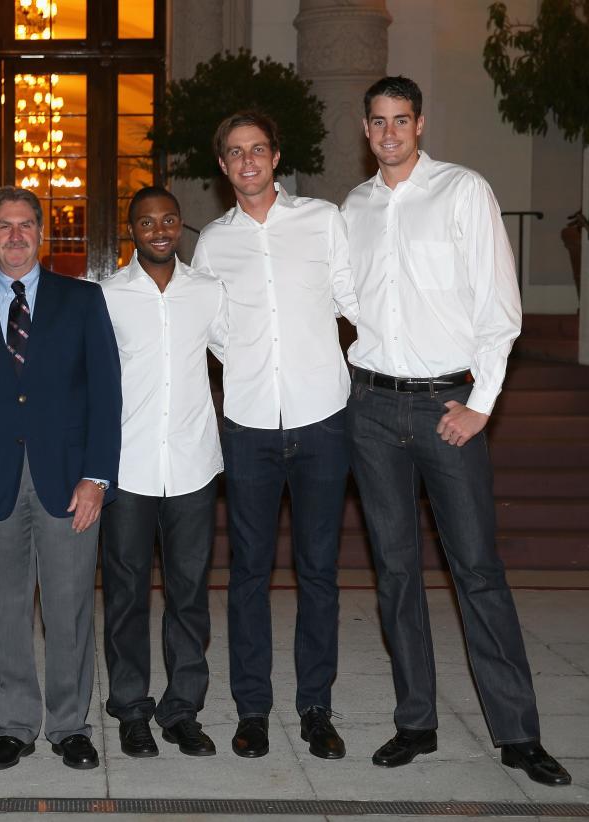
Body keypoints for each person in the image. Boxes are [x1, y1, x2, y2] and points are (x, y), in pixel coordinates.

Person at [341, 75, 570, 786]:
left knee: (476, 570)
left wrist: (483, 403)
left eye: (400, 120)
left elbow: (500, 306)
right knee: (397, 574)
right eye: (377, 122)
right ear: (365, 128)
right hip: (373, 409)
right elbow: (346, 296)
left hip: (450, 409)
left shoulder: (464, 191)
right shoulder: (355, 206)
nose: (389, 133)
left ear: (420, 123)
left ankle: (518, 734)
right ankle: (417, 723)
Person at [192, 110, 359, 761]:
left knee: (319, 572)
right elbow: (210, 326)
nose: (248, 161)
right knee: (248, 575)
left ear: (275, 154)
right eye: (235, 153)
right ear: (224, 166)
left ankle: (315, 707)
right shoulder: (212, 242)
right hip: (250, 425)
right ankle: (253, 710)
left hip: (323, 418)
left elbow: (351, 297)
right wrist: (252, 360)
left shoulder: (322, 219)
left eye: (257, 149)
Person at [0, 187, 121, 771]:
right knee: (5, 608)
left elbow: (107, 394)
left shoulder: (83, 300)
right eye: (4, 227)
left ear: (42, 234)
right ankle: (14, 724)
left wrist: (97, 476)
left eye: (25, 226)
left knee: (68, 607)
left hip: (68, 480)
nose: (15, 236)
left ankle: (70, 726)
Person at [98, 186, 224, 759]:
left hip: (195, 464)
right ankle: (131, 709)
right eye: (146, 221)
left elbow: (242, 356)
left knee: (189, 594)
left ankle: (182, 709)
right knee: (125, 594)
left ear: (181, 226)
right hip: (128, 467)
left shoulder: (208, 291)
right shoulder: (108, 296)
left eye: (168, 219)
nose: (158, 229)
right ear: (132, 231)